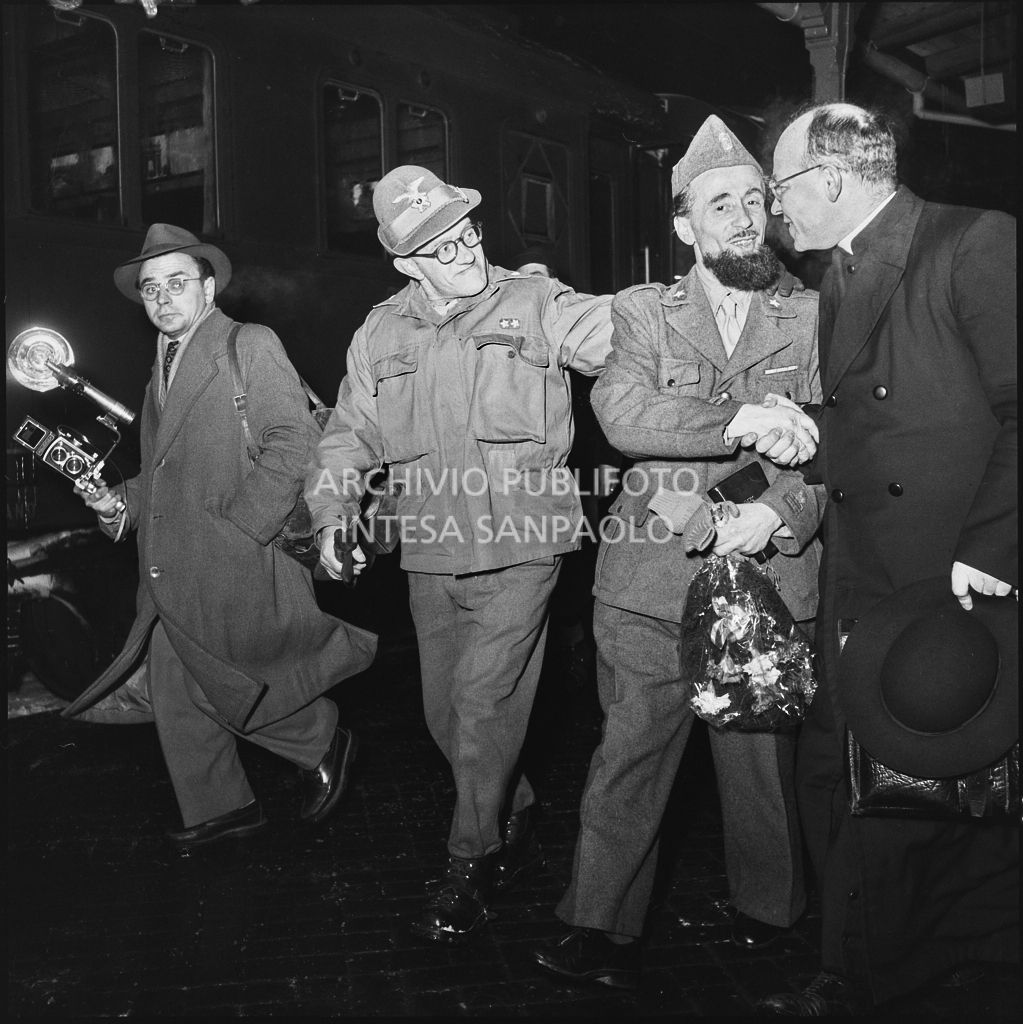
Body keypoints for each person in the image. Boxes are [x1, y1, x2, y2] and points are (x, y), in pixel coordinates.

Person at [532, 116, 825, 990]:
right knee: (628, 751)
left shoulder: (814, 315)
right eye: (716, 205)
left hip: (768, 568)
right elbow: (622, 415)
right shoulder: (641, 313)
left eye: (751, 201)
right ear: (683, 226)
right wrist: (743, 420)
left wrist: (777, 515)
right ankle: (598, 920)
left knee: (759, 764)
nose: (739, 218)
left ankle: (768, 914)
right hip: (651, 577)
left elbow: (846, 441)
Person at [304, 165, 621, 945]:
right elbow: (350, 433)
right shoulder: (381, 331)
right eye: (439, 247)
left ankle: (469, 863)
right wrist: (332, 510)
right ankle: (507, 809)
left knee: (482, 708)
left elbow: (616, 332)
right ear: (405, 263)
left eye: (467, 232)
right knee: (444, 718)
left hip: (522, 542)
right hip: (432, 547)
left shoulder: (536, 303)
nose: (464, 253)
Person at [757, 103, 1018, 1014]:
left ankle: (886, 974)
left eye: (782, 190)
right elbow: (874, 428)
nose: (776, 213)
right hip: (861, 572)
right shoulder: (839, 276)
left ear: (829, 181)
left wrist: (990, 546)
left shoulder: (973, 242)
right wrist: (805, 441)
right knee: (845, 775)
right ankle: (862, 967)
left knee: (932, 788)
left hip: (948, 578)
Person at [63, 223, 377, 850]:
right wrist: (114, 503)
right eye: (151, 288)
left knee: (220, 676)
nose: (162, 298)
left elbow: (294, 439)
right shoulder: (162, 365)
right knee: (174, 678)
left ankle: (321, 738)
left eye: (177, 283)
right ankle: (219, 806)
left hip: (236, 553)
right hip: (176, 559)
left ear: (207, 287)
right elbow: (163, 472)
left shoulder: (248, 343)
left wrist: (243, 526)